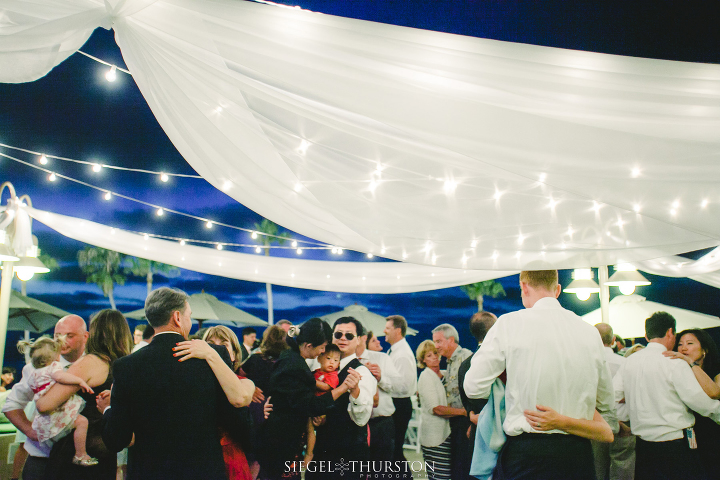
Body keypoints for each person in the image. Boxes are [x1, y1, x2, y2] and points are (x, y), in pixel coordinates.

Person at [464, 269, 616, 480]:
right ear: (558, 290)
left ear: (524, 286)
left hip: (528, 454)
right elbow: (607, 401)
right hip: (577, 453)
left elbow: (473, 387)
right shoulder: (589, 331)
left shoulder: (509, 324)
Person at [98, 288, 254, 480]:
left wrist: (107, 411)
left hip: (150, 472)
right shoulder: (212, 356)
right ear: (178, 317)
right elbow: (234, 418)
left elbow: (117, 439)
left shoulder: (126, 366)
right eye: (190, 315)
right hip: (203, 471)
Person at [614, 312, 720, 480]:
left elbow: (612, 397)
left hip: (643, 446)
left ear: (647, 336)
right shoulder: (674, 362)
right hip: (674, 445)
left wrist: (623, 418)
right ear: (670, 332)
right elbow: (699, 402)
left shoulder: (630, 362)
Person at [35, 310, 132, 480]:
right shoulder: (123, 366)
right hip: (106, 449)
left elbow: (45, 405)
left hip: (77, 452)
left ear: (94, 333)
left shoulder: (91, 362)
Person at [258, 318, 360, 480]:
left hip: (281, 440)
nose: (323, 351)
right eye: (322, 348)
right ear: (308, 346)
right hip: (282, 443)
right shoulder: (294, 366)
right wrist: (342, 388)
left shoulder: (291, 358)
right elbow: (311, 405)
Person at [3, 314, 88, 480]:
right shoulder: (34, 368)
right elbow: (11, 404)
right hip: (41, 459)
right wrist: (30, 431)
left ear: (85, 336)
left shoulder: (94, 364)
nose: (61, 341)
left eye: (69, 336)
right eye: (57, 336)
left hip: (79, 462)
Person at [178, 325, 252, 480]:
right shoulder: (193, 384)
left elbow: (241, 398)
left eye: (223, 345)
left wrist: (211, 354)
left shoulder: (245, 383)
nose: (215, 348)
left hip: (231, 460)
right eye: (209, 344)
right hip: (198, 460)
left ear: (234, 355)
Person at [307, 317, 377, 480]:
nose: (343, 338)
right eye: (338, 334)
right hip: (322, 452)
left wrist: (355, 391)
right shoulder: (318, 367)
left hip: (348, 455)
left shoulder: (362, 372)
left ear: (359, 339)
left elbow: (362, 418)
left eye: (349, 335)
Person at [17, 336, 98, 466]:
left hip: (45, 419)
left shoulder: (33, 373)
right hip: (58, 411)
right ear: (55, 357)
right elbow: (61, 377)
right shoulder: (53, 368)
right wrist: (80, 380)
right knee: (82, 422)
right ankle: (80, 454)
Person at [662, 328, 720, 479]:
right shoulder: (680, 371)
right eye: (680, 344)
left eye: (690, 343)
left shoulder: (716, 371)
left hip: (713, 431)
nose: (683, 348)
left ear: (704, 350)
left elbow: (714, 393)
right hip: (689, 436)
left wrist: (690, 362)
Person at [592, 323, 634, 480]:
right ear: (614, 339)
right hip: (625, 421)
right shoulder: (625, 362)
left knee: (597, 468)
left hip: (595, 422)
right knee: (623, 468)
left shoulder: (587, 362)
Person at [356, 328, 401, 465]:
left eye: (353, 335)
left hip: (381, 423)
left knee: (382, 469)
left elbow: (398, 387)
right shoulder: (342, 360)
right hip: (354, 425)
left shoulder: (382, 358)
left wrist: (381, 377)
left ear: (363, 337)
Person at [432, 323, 472, 480]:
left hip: (465, 421)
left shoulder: (465, 358)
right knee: (456, 466)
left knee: (462, 468)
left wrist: (471, 422)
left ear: (451, 340)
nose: (436, 346)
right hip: (454, 422)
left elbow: (475, 393)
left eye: (438, 341)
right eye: (435, 342)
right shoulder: (448, 362)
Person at [458, 311, 497, 463]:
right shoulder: (502, 360)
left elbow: (465, 399)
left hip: (477, 431)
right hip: (501, 432)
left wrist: (470, 415)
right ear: (494, 330)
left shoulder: (465, 364)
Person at [383, 315, 417, 467]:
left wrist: (380, 380)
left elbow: (403, 387)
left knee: (395, 450)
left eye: (388, 328)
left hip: (399, 404)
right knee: (393, 450)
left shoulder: (402, 354)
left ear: (397, 331)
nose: (384, 331)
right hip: (396, 404)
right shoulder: (394, 350)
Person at [416, 340, 452, 480]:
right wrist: (463, 412)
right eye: (429, 355)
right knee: (439, 476)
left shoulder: (446, 374)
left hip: (447, 434)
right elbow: (436, 409)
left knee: (445, 474)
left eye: (435, 353)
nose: (434, 357)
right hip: (435, 437)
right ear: (423, 359)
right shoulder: (426, 377)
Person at [305, 344, 342, 463]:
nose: (332, 362)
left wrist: (310, 380)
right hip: (312, 404)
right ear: (319, 359)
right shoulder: (316, 372)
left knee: (310, 429)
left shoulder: (333, 375)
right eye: (328, 358)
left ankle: (309, 453)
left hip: (323, 407)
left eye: (336, 360)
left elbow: (326, 387)